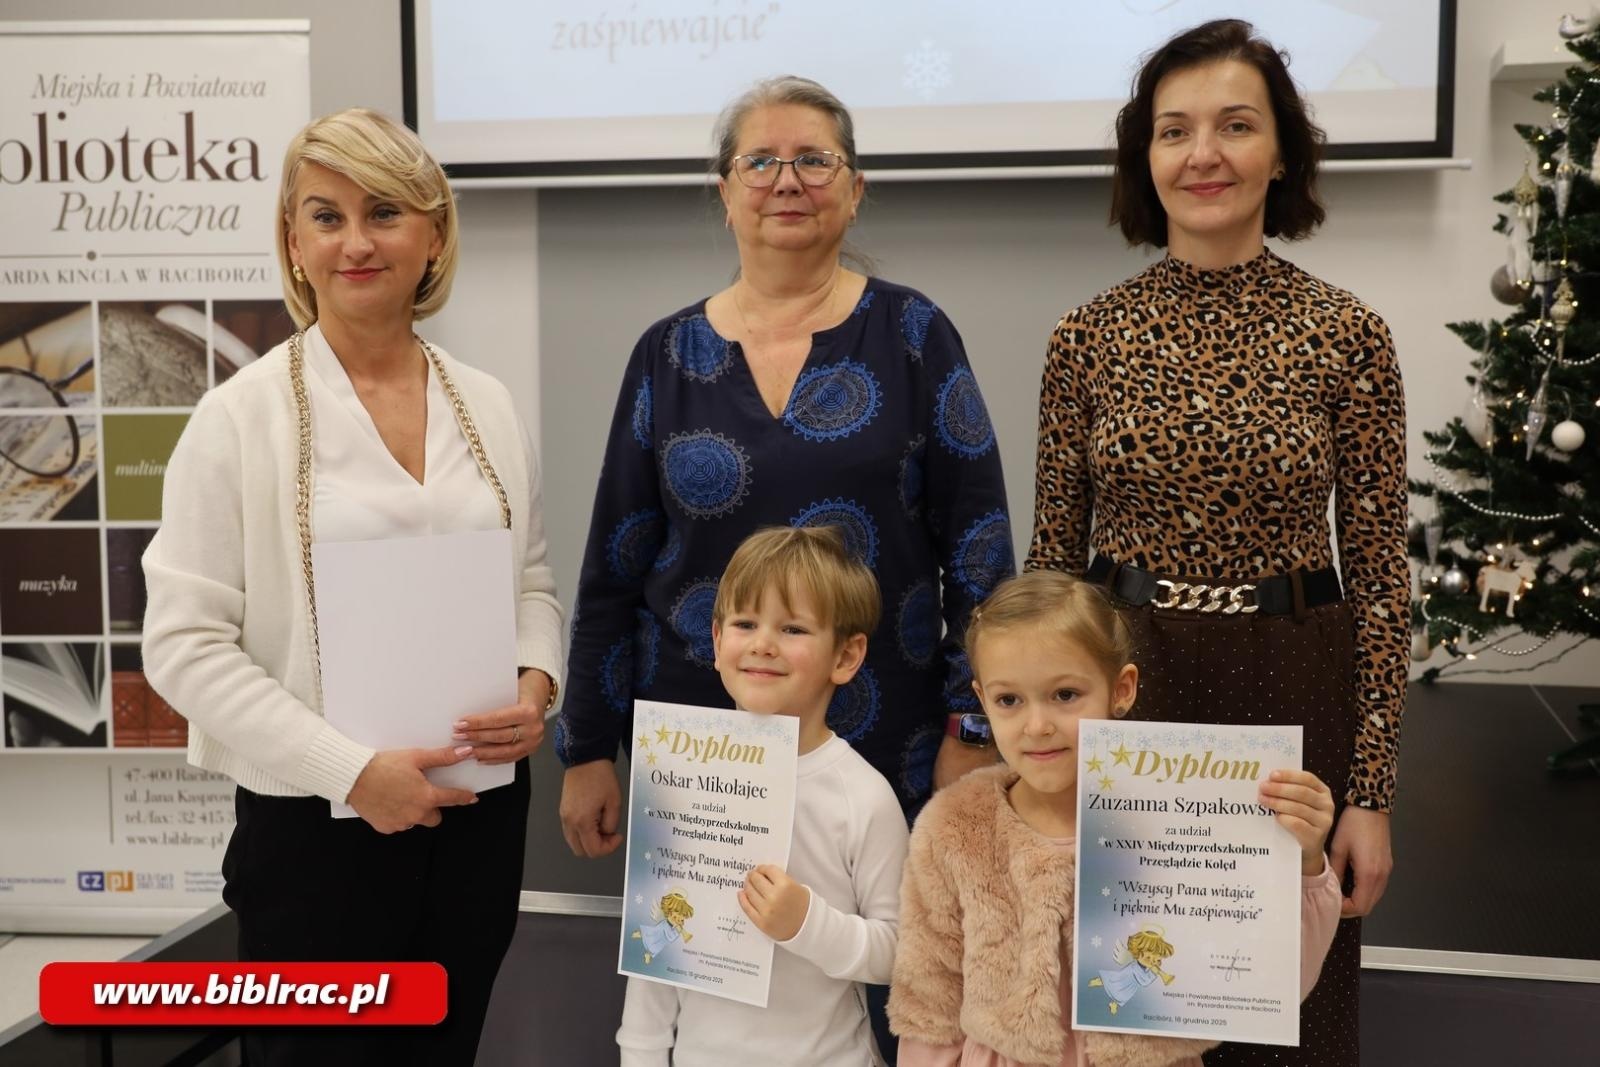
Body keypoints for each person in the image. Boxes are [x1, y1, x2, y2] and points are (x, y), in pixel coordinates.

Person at [140, 108, 563, 1066]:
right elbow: (182, 643)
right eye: (325, 216)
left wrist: (536, 685)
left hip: (475, 816)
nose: (357, 241)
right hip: (313, 839)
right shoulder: (235, 419)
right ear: (294, 242)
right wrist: (350, 772)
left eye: (384, 212)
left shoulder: (486, 402)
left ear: (434, 233)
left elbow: (530, 584)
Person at [1027, 20, 1407, 1064]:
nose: (1203, 154)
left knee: (1288, 1007)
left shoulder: (1346, 332)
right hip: (1128, 693)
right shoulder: (1086, 335)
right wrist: (1040, 747)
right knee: (1126, 1004)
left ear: (1279, 150)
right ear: (1141, 158)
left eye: (1235, 126)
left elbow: (1380, 578)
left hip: (1295, 688)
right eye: (1173, 130)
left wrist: (1369, 791)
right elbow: (1051, 565)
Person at [557, 75, 1014, 862]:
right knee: (708, 972)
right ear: (726, 194)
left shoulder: (915, 334)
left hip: (882, 739)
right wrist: (588, 745)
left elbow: (981, 556)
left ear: (856, 190)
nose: (787, 181)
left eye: (814, 160)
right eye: (760, 162)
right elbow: (613, 568)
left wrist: (971, 726)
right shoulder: (665, 354)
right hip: (698, 742)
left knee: (875, 971)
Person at [889, 571, 1341, 1066]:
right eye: (1009, 700)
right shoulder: (953, 829)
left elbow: (1274, 982)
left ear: (1121, 689)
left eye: (1064, 695)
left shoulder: (1183, 825)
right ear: (982, 701)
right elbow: (928, 1004)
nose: (1037, 726)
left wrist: (1304, 859)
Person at [617, 526, 908, 1065]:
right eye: (744, 623)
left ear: (845, 656)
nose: (762, 643)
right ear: (716, 638)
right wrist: (641, 1054)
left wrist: (806, 923)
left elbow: (898, 951)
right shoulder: (678, 779)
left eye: (793, 628)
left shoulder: (863, 797)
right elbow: (654, 944)